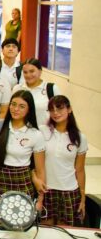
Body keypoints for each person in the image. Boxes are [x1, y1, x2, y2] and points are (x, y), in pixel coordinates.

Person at [0, 90, 46, 223]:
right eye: (13, 104)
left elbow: (40, 170)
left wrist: (40, 200)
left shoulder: (35, 134)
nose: (15, 109)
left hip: (23, 181)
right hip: (0, 179)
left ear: (29, 110)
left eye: (21, 106)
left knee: (18, 225)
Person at [40, 96, 87, 226]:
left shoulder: (80, 137)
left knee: (64, 232)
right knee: (45, 231)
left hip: (69, 191)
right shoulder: (42, 131)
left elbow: (80, 169)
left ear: (69, 109)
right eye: (52, 109)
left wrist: (83, 197)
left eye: (60, 108)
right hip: (46, 190)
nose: (55, 113)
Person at [13, 58, 60, 127]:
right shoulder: (17, 89)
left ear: (40, 71)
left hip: (45, 132)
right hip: (22, 132)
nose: (28, 75)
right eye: (25, 72)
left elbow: (60, 113)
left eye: (32, 71)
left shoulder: (51, 89)